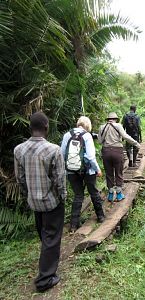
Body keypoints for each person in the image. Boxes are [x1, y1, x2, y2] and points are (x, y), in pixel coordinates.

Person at [14, 112, 66, 293]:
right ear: (46, 127)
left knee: (44, 235)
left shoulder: (19, 150)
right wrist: (63, 197)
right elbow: (60, 179)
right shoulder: (53, 149)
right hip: (51, 202)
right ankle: (45, 279)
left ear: (30, 128)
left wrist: (27, 195)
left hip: (33, 201)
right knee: (51, 237)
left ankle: (47, 262)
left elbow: (20, 178)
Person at [61, 116, 105, 232]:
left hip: (71, 170)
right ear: (88, 126)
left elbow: (62, 154)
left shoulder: (67, 135)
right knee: (93, 192)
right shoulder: (87, 136)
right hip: (87, 170)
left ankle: (73, 225)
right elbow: (90, 156)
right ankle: (100, 216)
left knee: (78, 195)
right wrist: (97, 169)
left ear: (78, 124)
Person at [98, 112, 140, 201]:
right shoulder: (118, 125)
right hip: (117, 151)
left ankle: (110, 194)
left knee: (109, 173)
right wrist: (136, 143)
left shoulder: (102, 127)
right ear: (116, 119)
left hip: (106, 152)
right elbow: (125, 136)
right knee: (118, 172)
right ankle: (119, 194)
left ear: (108, 119)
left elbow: (99, 141)